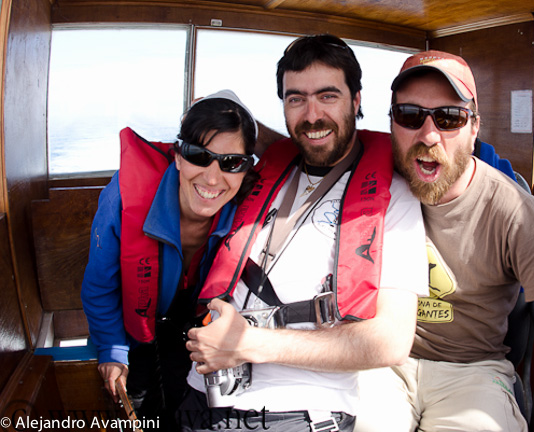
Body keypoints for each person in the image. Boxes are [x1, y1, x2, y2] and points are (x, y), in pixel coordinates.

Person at [178, 35, 428, 432]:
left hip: (299, 414)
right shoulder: (256, 174)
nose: (312, 115)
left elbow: (392, 340)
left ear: (357, 101)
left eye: (328, 96)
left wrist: (248, 344)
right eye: (296, 99)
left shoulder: (393, 198)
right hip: (202, 392)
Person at [355, 51, 534, 432]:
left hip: (473, 371)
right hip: (383, 360)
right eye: (410, 115)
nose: (428, 135)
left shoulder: (513, 212)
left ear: (474, 128)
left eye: (449, 118)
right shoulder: (368, 188)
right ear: (391, 124)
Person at [81, 90, 260, 428]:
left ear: (245, 168)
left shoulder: (250, 209)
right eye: (198, 155)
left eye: (231, 162)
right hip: (134, 330)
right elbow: (99, 284)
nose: (211, 177)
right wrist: (112, 349)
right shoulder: (124, 197)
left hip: (196, 330)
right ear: (177, 156)